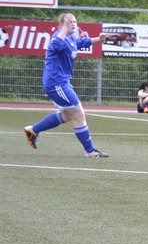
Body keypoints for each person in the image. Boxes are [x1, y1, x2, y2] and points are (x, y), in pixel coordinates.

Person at [22, 13, 114, 158]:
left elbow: (81, 43)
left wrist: (99, 39)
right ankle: (90, 151)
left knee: (66, 115)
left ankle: (33, 129)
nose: (73, 24)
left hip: (61, 82)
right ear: (63, 24)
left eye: (75, 21)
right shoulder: (58, 38)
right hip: (56, 83)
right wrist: (64, 27)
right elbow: (57, 45)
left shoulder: (71, 39)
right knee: (79, 114)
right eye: (70, 22)